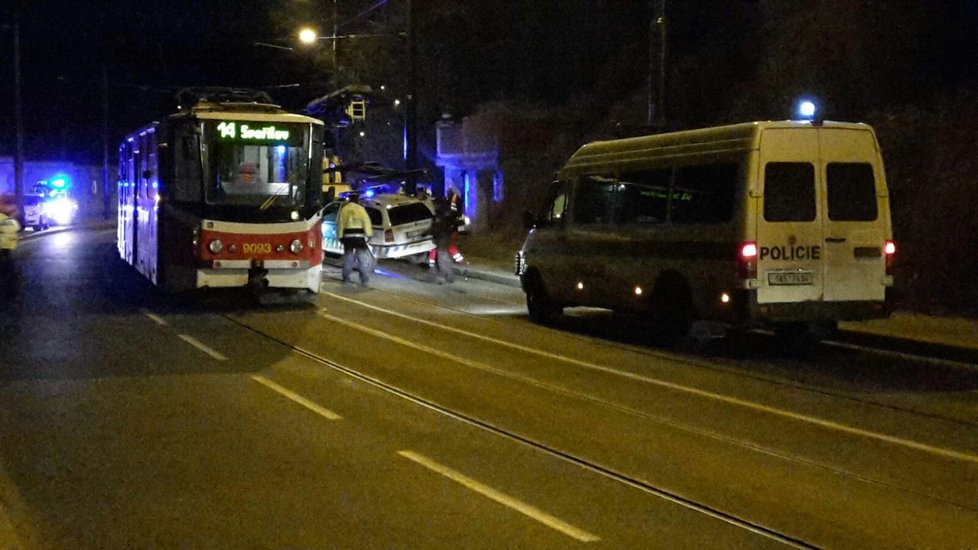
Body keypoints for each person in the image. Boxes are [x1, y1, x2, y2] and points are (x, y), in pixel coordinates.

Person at [337, 191, 374, 285]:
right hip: (359, 237)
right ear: (357, 199)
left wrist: (340, 236)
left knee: (348, 257)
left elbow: (340, 223)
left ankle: (346, 276)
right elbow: (366, 221)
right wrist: (369, 234)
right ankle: (364, 277)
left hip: (348, 237)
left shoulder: (344, 209)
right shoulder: (361, 209)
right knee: (362, 257)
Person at [427, 189, 464, 269]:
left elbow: (435, 227)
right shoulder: (447, 213)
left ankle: (432, 263)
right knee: (450, 246)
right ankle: (459, 259)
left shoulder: (440, 215)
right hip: (448, 232)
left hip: (443, 235)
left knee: (434, 248)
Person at [429, 197, 459, 284]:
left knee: (442, 260)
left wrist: (427, 233)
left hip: (442, 241)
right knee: (445, 259)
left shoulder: (439, 217)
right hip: (446, 240)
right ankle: (448, 276)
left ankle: (446, 277)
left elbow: (436, 229)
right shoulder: (447, 215)